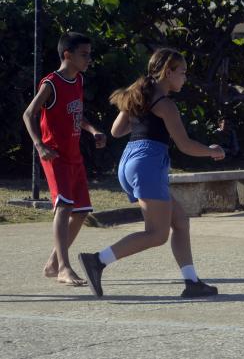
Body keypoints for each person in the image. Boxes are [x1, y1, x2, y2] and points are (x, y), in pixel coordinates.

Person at [78, 48, 225, 298]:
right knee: (156, 234)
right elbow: (185, 145)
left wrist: (139, 117)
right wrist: (212, 151)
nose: (185, 78)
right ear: (168, 72)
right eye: (182, 73)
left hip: (129, 162)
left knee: (179, 221)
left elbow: (116, 131)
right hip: (148, 164)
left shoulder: (139, 95)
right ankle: (97, 261)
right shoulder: (165, 105)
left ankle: (192, 282)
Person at [22, 32, 106, 286]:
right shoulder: (51, 83)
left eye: (89, 54)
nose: (89, 58)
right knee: (65, 207)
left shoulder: (78, 80)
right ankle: (64, 268)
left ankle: (53, 263)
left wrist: (93, 131)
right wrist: (39, 145)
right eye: (84, 54)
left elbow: (77, 114)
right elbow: (28, 114)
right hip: (55, 155)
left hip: (74, 156)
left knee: (80, 212)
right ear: (67, 54)